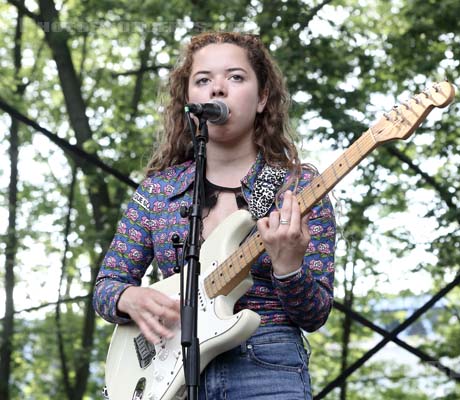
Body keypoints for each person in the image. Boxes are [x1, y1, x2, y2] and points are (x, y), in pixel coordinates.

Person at [93, 31, 336, 400]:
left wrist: (289, 269)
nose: (217, 89)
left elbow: (315, 314)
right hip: (168, 368)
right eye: (203, 80)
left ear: (262, 98)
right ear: (189, 99)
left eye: (235, 77)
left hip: (266, 365)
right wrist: (129, 298)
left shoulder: (295, 186)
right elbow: (106, 286)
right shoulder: (158, 191)